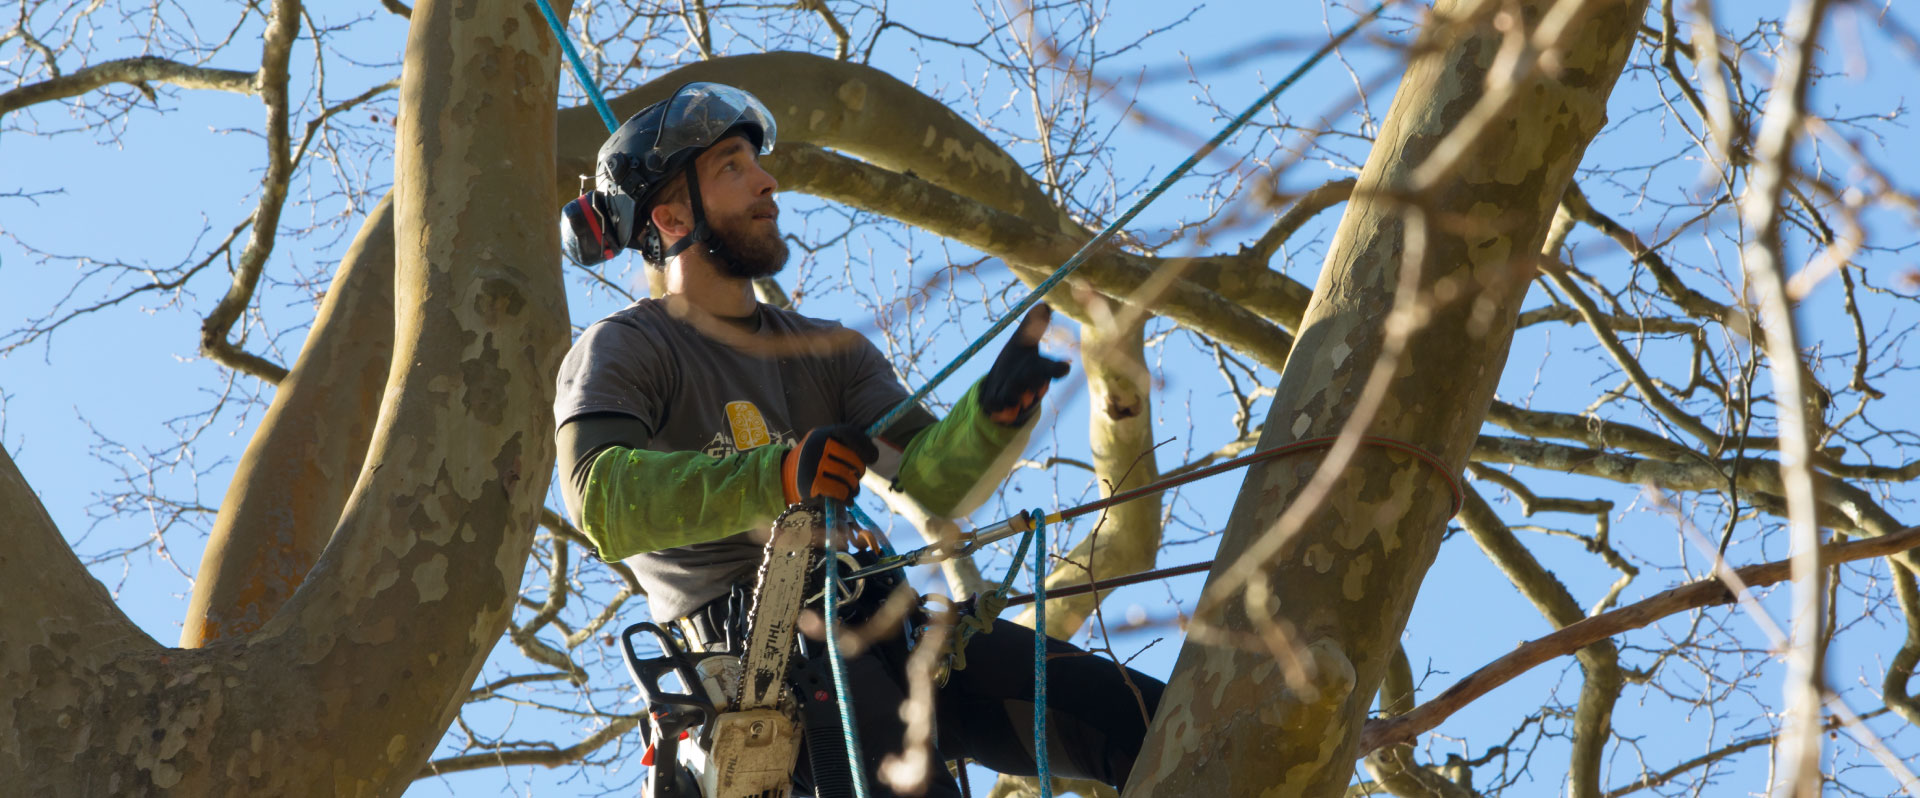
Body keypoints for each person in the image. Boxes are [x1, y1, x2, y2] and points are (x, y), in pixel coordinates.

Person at [553, 82, 1162, 797]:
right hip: (766, 663)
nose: (767, 181)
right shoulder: (627, 347)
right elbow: (600, 500)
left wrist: (991, 417)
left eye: (758, 163)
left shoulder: (828, 352)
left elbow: (935, 482)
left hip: (893, 629)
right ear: (672, 213)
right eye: (731, 167)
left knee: (1155, 723)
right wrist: (779, 476)